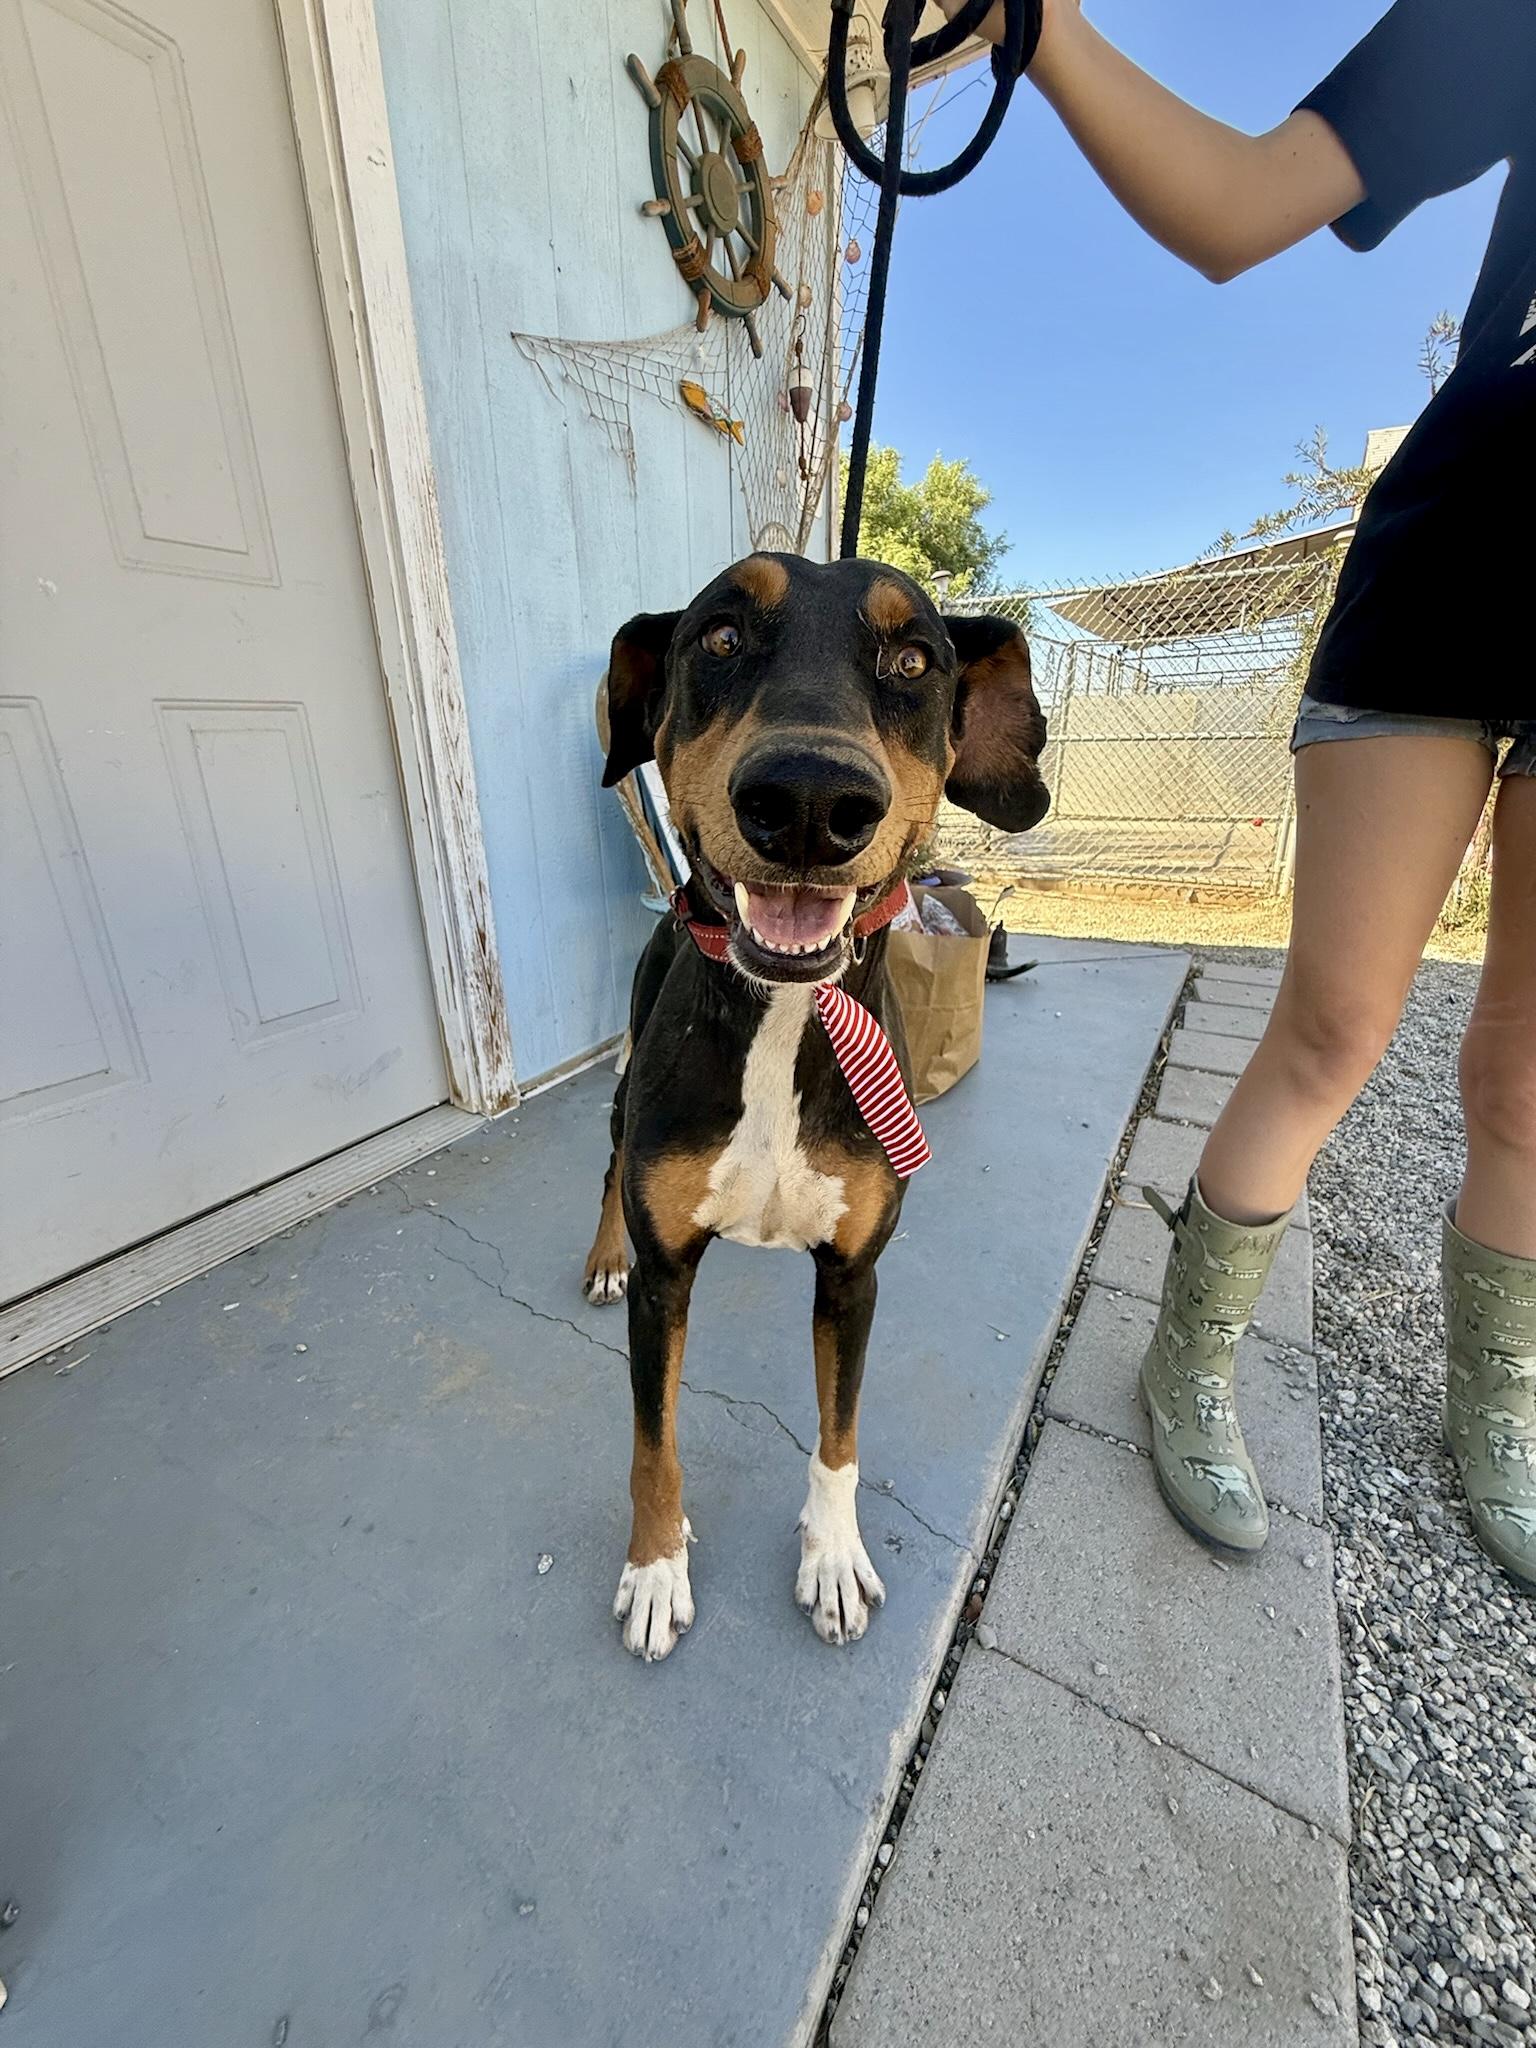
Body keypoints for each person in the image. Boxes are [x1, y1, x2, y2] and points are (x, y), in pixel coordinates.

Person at [941, 0, 1536, 1589]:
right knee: (1337, 1024)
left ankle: (1501, 1403)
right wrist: (1035, 24)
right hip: (1462, 569)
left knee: (1533, 1078)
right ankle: (1188, 1355)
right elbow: (1238, 203)